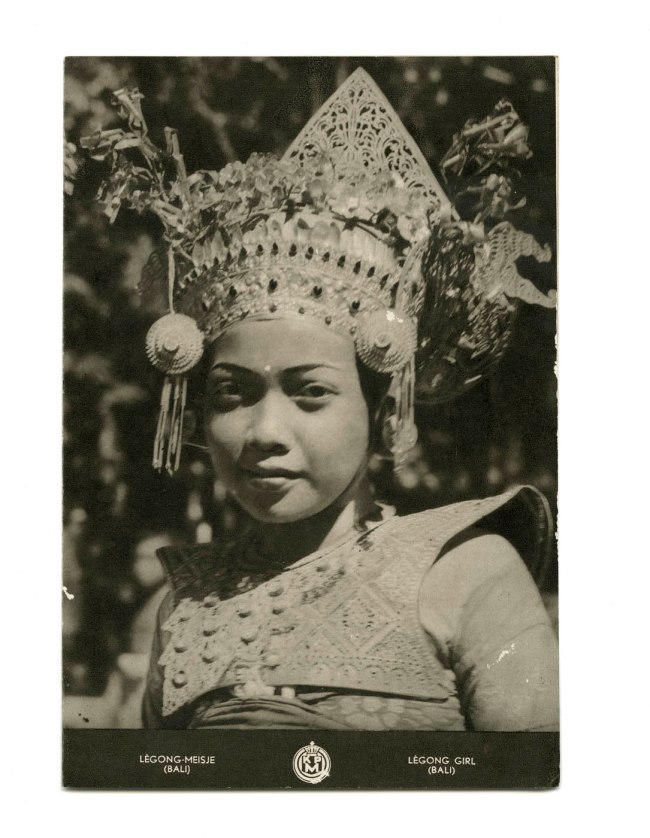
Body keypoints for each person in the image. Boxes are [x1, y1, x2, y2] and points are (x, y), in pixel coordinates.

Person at [83, 68, 558, 731]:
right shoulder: (185, 602)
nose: (264, 432)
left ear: (383, 407)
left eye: (310, 394)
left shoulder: (466, 572)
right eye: (232, 394)